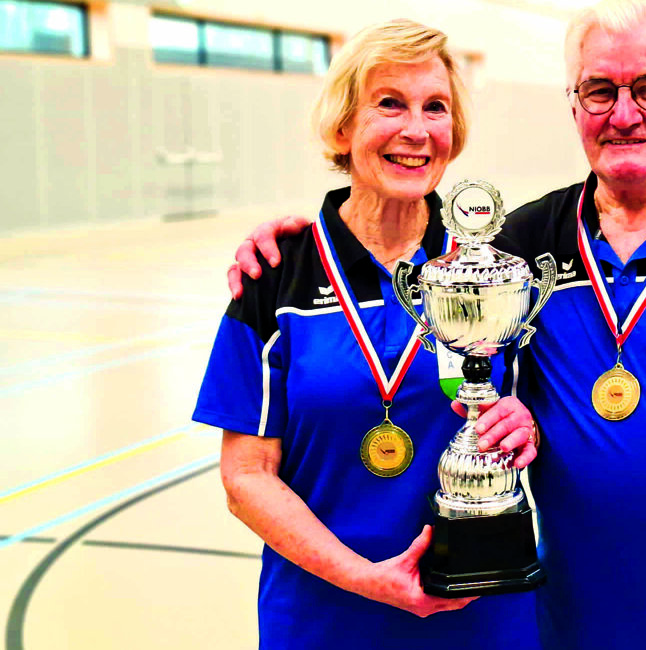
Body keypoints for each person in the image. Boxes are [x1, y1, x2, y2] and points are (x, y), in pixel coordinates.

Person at [228, 2, 646, 648]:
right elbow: (468, 351)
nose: (624, 114)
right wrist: (299, 244)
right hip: (569, 625)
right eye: (600, 91)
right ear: (575, 105)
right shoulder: (525, 243)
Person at [193, 19, 542, 650]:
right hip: (324, 619)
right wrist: (367, 578)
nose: (415, 129)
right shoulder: (278, 275)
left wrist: (529, 425)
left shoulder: (498, 272)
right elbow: (246, 476)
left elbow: (556, 412)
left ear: (453, 132)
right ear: (344, 125)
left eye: (435, 107)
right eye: (389, 103)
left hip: (483, 618)